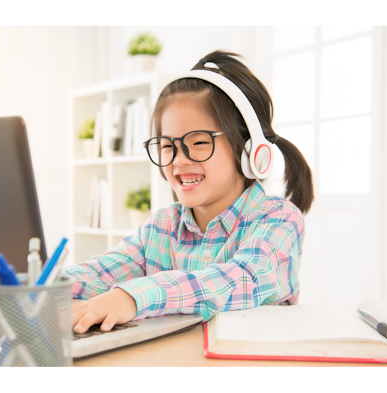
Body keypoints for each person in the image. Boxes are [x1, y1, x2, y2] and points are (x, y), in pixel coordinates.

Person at [66, 49, 314, 334]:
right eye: (168, 146)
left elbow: (242, 278)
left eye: (198, 143)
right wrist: (39, 287)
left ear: (248, 150)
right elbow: (100, 273)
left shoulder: (279, 218)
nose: (178, 160)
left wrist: (133, 297)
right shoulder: (161, 228)